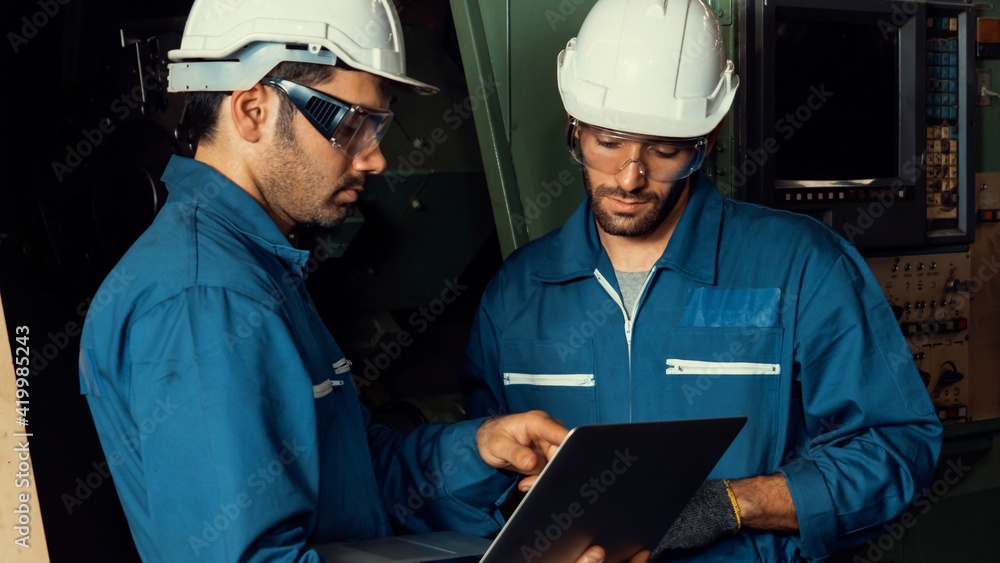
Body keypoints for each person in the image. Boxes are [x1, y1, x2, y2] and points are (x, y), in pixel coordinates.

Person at [78, 1, 616, 561]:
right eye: (350, 124)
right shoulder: (206, 301)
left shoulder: (256, 269)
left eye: (376, 126)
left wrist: (480, 451)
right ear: (253, 110)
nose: (377, 158)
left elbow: (355, 479)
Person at [460, 0, 943, 561]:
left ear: (706, 142)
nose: (630, 177)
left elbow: (895, 446)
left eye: (665, 150)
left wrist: (733, 504)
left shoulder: (801, 265)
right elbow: (482, 468)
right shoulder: (517, 292)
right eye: (608, 143)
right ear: (575, 128)